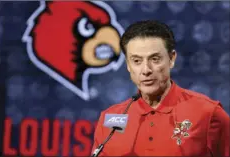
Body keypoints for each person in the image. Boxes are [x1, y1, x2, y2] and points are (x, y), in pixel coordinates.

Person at [91, 20, 229, 156]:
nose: (146, 70)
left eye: (155, 59)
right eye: (137, 61)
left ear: (172, 59)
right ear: (128, 65)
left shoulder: (208, 114)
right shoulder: (110, 119)